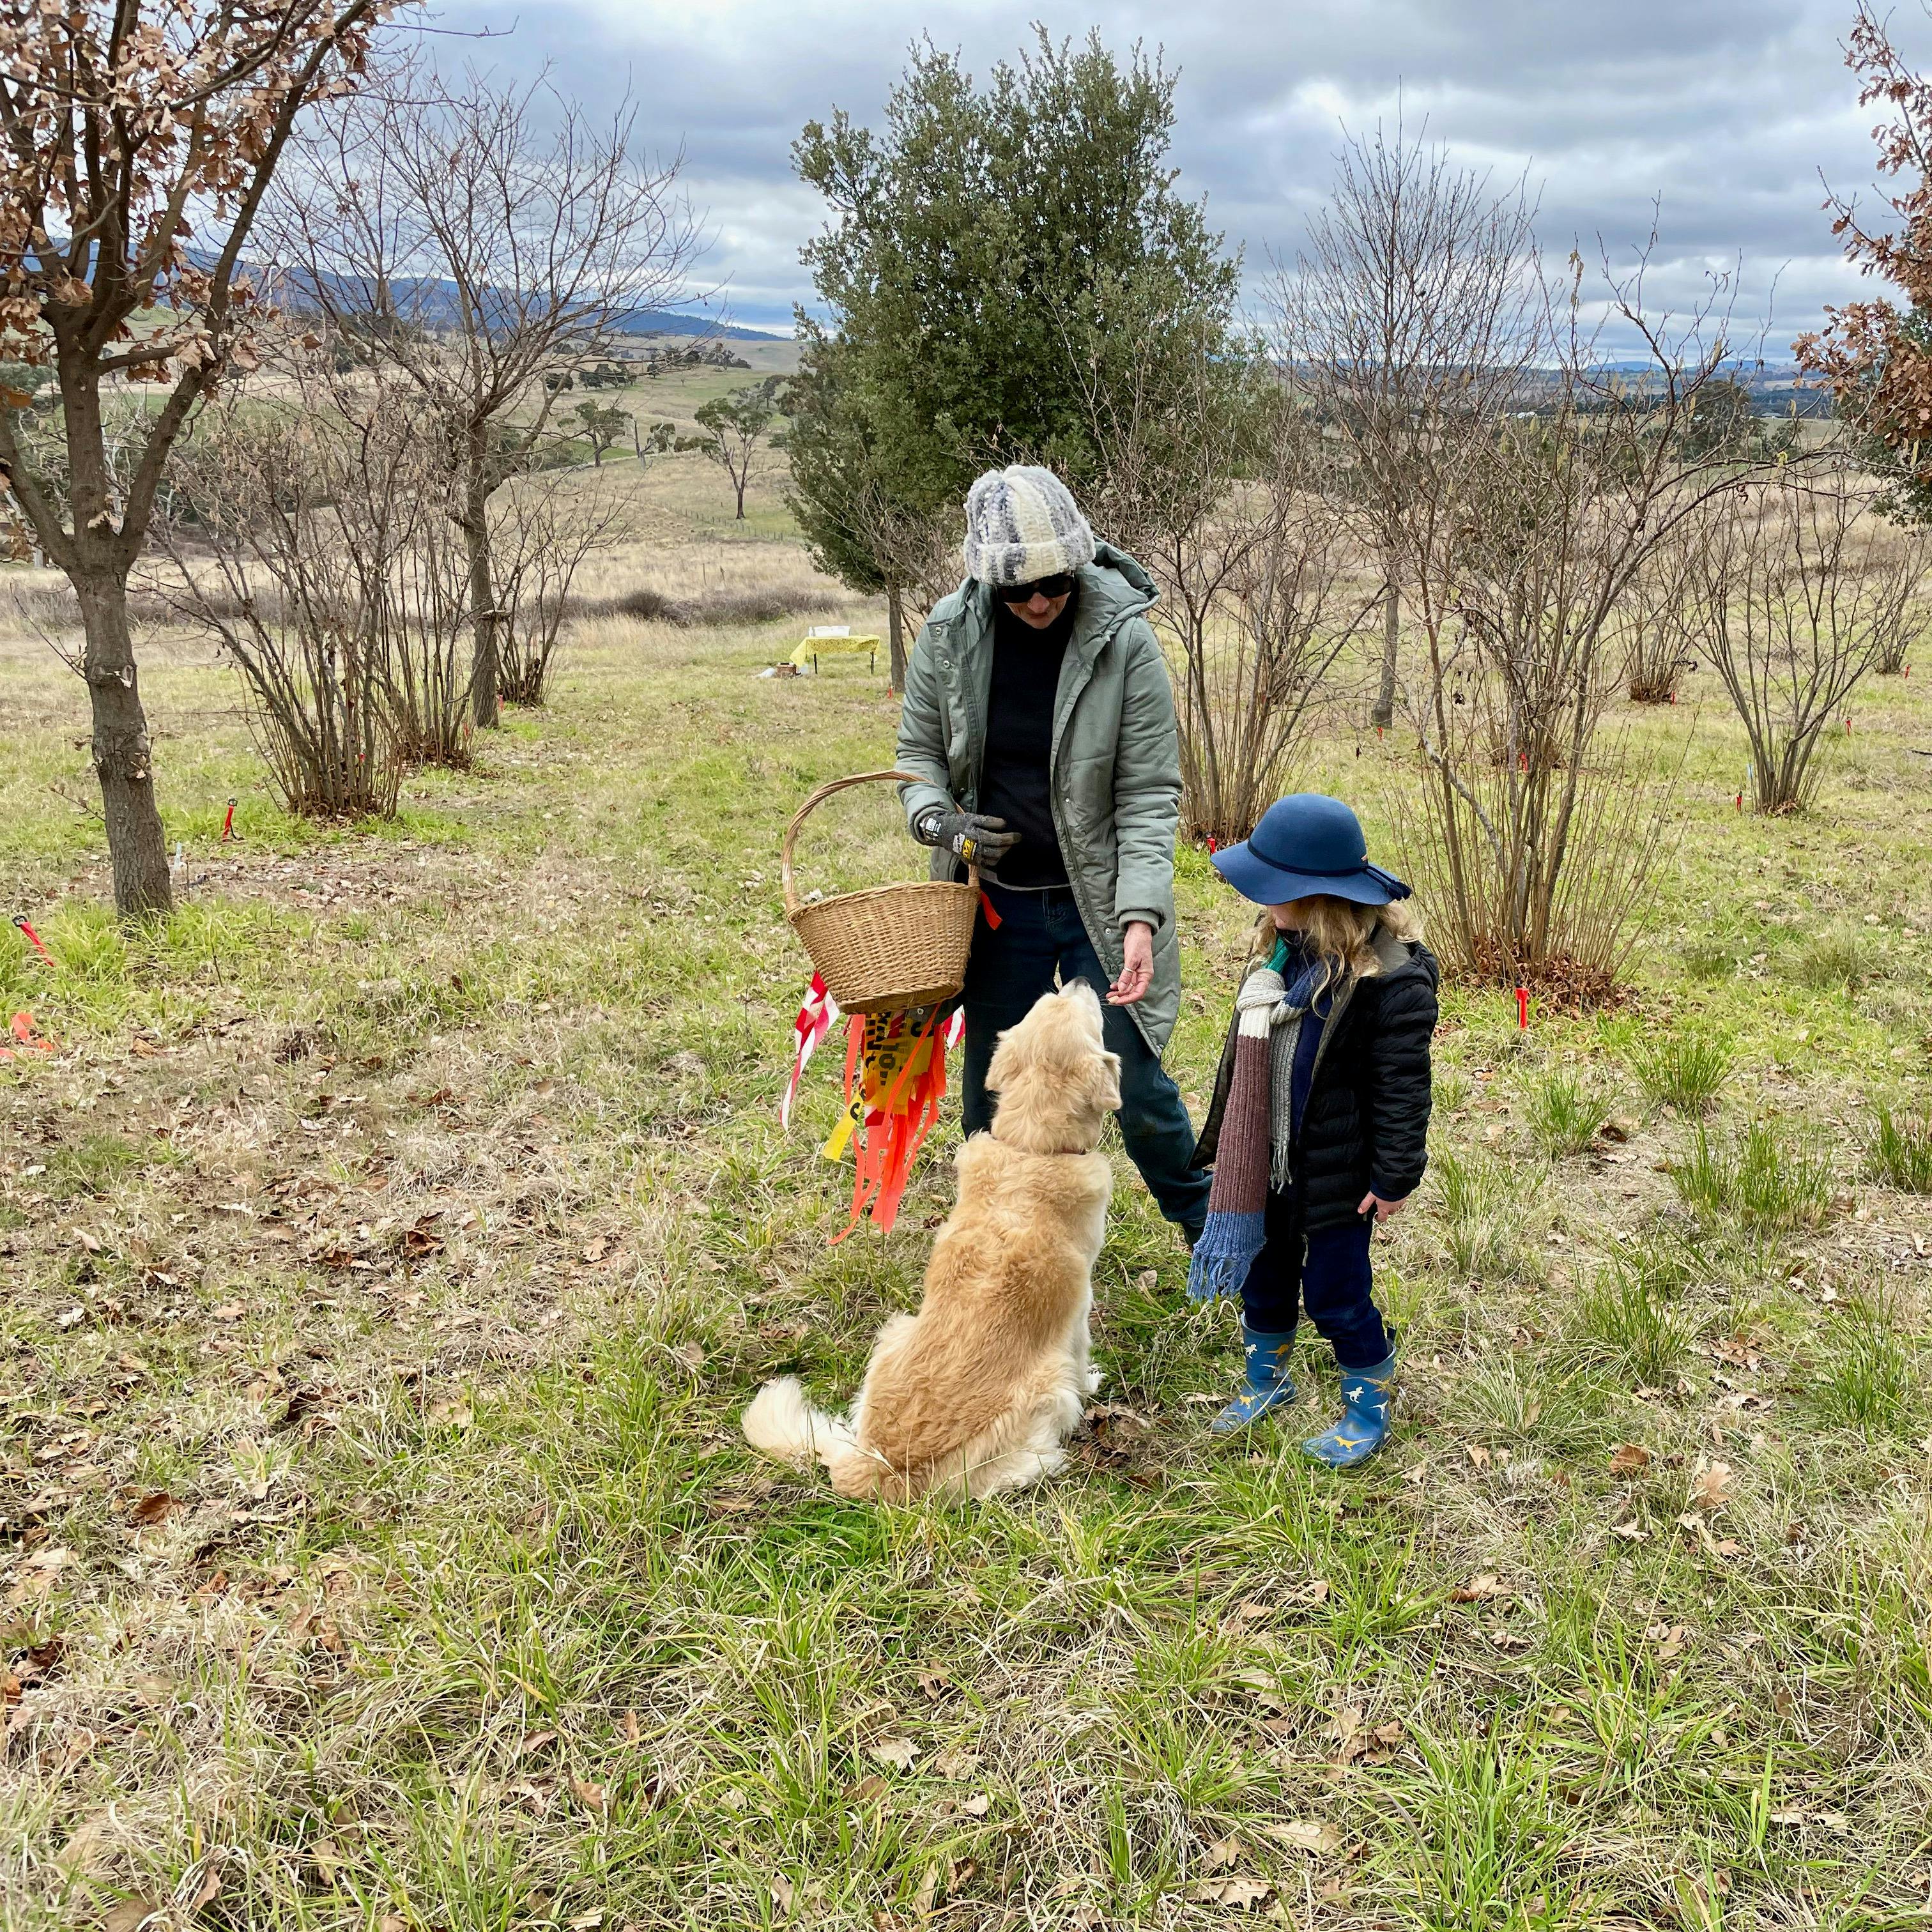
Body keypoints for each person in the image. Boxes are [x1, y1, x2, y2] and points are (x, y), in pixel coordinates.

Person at [896, 464, 1211, 1246]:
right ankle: (998, 1249)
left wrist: (1140, 917)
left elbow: (1148, 793)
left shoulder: (1124, 641)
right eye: (1017, 591)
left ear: (1079, 559)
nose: (1039, 602)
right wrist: (942, 824)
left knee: (1133, 1085)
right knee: (995, 1098)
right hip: (995, 907)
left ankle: (1215, 1239)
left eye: (1056, 583)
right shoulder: (946, 635)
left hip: (1095, 902)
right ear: (984, 583)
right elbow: (917, 759)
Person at [1186, 794, 1437, 1465]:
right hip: (1265, 1167)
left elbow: (1403, 1090)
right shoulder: (1281, 959)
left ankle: (1367, 1406)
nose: (1262, 900)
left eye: (1273, 887)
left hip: (1337, 1178)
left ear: (1314, 894)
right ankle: (1268, 1381)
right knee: (1263, 1279)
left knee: (1335, 1293)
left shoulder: (1391, 983)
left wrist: (1393, 1177)